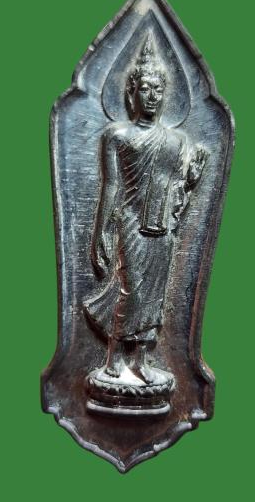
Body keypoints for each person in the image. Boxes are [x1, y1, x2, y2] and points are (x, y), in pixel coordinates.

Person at [84, 33, 207, 384]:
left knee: (155, 296)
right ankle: (113, 357)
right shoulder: (117, 136)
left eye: (158, 90)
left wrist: (190, 182)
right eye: (145, 89)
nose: (152, 96)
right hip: (131, 221)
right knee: (132, 289)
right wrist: (101, 231)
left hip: (161, 228)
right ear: (131, 93)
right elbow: (112, 186)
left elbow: (175, 192)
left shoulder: (176, 141)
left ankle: (141, 360)